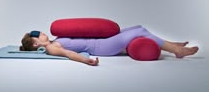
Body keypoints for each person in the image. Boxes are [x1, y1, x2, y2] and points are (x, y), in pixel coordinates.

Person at [20, 25, 199, 66]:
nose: (43, 33)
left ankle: (170, 44)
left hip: (103, 41)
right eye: (39, 35)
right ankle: (177, 51)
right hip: (103, 47)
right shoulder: (51, 47)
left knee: (136, 27)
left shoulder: (53, 40)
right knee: (140, 30)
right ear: (36, 43)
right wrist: (86, 61)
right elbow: (69, 54)